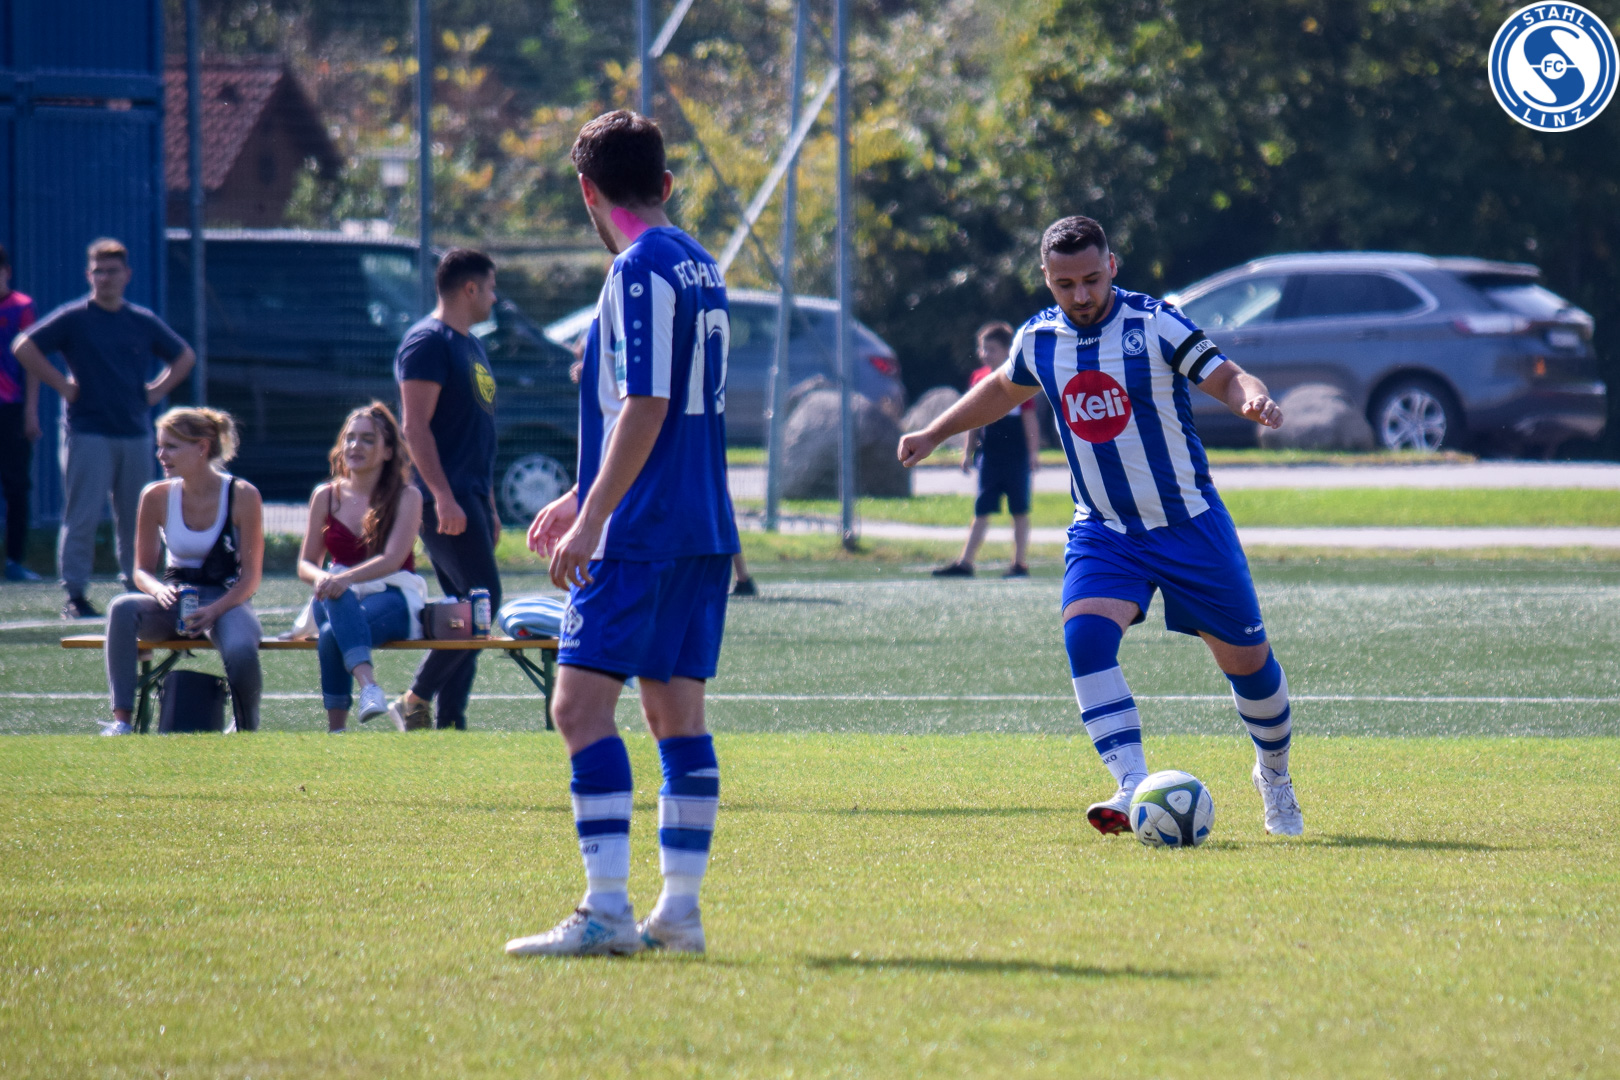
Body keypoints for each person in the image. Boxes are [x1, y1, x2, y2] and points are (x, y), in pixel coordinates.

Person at [898, 215, 1304, 837]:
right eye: (1066, 284)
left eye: (1092, 279)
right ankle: (1131, 781)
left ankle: (1274, 776)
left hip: (1189, 524)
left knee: (1249, 665)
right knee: (1085, 637)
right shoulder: (1039, 339)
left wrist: (1250, 397)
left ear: (1112, 266)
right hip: (1105, 529)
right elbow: (1004, 390)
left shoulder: (1154, 323)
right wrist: (934, 432)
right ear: (1047, 278)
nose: (1082, 295)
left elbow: (1225, 374)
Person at [506, 109, 738, 958]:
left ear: (587, 192)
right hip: (702, 525)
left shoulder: (637, 267)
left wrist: (596, 516)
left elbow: (646, 405)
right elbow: (659, 410)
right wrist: (581, 491)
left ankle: (606, 908)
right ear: (666, 184)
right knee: (676, 714)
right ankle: (679, 913)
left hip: (642, 530)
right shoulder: (700, 262)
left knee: (576, 707)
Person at [13, 238, 195, 618]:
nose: (106, 278)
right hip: (88, 430)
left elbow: (184, 356)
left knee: (137, 517)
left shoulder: (140, 321)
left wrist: (157, 390)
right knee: (82, 515)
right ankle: (75, 594)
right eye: (99, 271)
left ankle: (138, 587)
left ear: (127, 274)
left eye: (113, 271)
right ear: (88, 275)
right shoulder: (75, 318)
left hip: (134, 431)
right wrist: (62, 386)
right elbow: (24, 346)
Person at [392, 248, 502, 731]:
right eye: (491, 288)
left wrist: (488, 504)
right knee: (484, 600)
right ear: (469, 288)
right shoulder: (427, 342)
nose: (495, 299)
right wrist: (441, 496)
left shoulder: (471, 345)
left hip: (469, 493)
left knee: (467, 604)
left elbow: (478, 432)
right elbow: (414, 427)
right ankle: (415, 698)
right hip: (445, 495)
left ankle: (451, 722)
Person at [102, 408, 263, 735]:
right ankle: (121, 721)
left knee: (241, 651)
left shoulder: (243, 495)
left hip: (225, 601)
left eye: (171, 447)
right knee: (121, 607)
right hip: (174, 600)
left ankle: (246, 727)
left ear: (202, 447)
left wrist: (214, 611)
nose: (161, 455)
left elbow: (250, 579)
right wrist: (158, 590)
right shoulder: (155, 496)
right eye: (160, 446)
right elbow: (142, 572)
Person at [296, 403, 426, 734]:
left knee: (331, 633)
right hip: (334, 594)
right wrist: (324, 577)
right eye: (350, 438)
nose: (356, 446)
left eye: (368, 439)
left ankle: (337, 729)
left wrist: (344, 578)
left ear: (388, 451)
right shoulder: (325, 495)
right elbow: (306, 564)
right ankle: (368, 687)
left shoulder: (407, 496)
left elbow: (393, 559)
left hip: (392, 594)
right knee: (335, 601)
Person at [932, 321, 1042, 579]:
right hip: (990, 454)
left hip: (1015, 454)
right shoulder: (978, 378)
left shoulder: (1019, 378)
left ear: (1006, 350)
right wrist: (968, 451)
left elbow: (1029, 419)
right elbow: (973, 418)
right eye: (982, 349)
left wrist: (1033, 453)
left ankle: (1019, 563)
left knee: (1019, 509)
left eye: (991, 349)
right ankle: (965, 562)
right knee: (982, 508)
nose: (984, 354)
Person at [0, 244, 40, 581]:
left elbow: (31, 364)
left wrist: (30, 412)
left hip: (11, 408)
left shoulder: (21, 307)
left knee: (16, 485)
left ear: (7, 272)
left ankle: (14, 560)